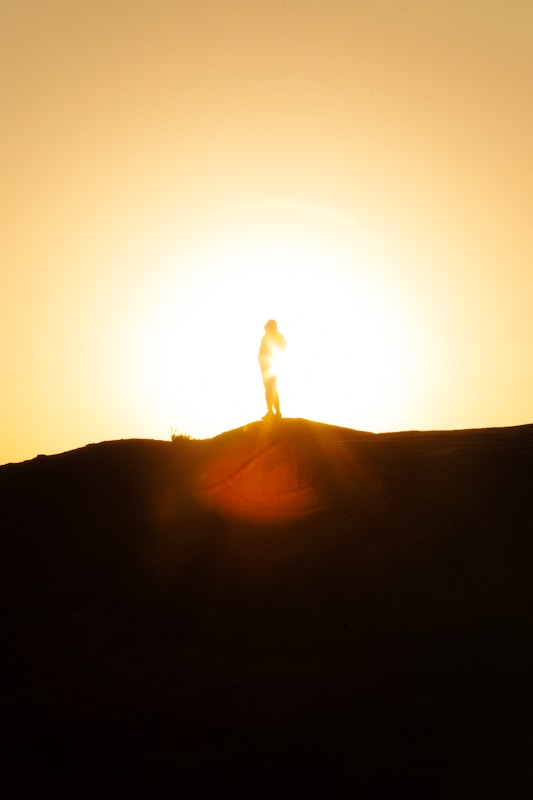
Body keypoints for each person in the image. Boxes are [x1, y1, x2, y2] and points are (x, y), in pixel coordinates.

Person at [258, 319, 286, 419]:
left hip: (272, 365)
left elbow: (282, 347)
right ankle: (271, 411)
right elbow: (262, 350)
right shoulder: (266, 337)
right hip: (266, 366)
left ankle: (276, 411)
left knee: (272, 388)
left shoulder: (276, 336)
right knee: (268, 389)